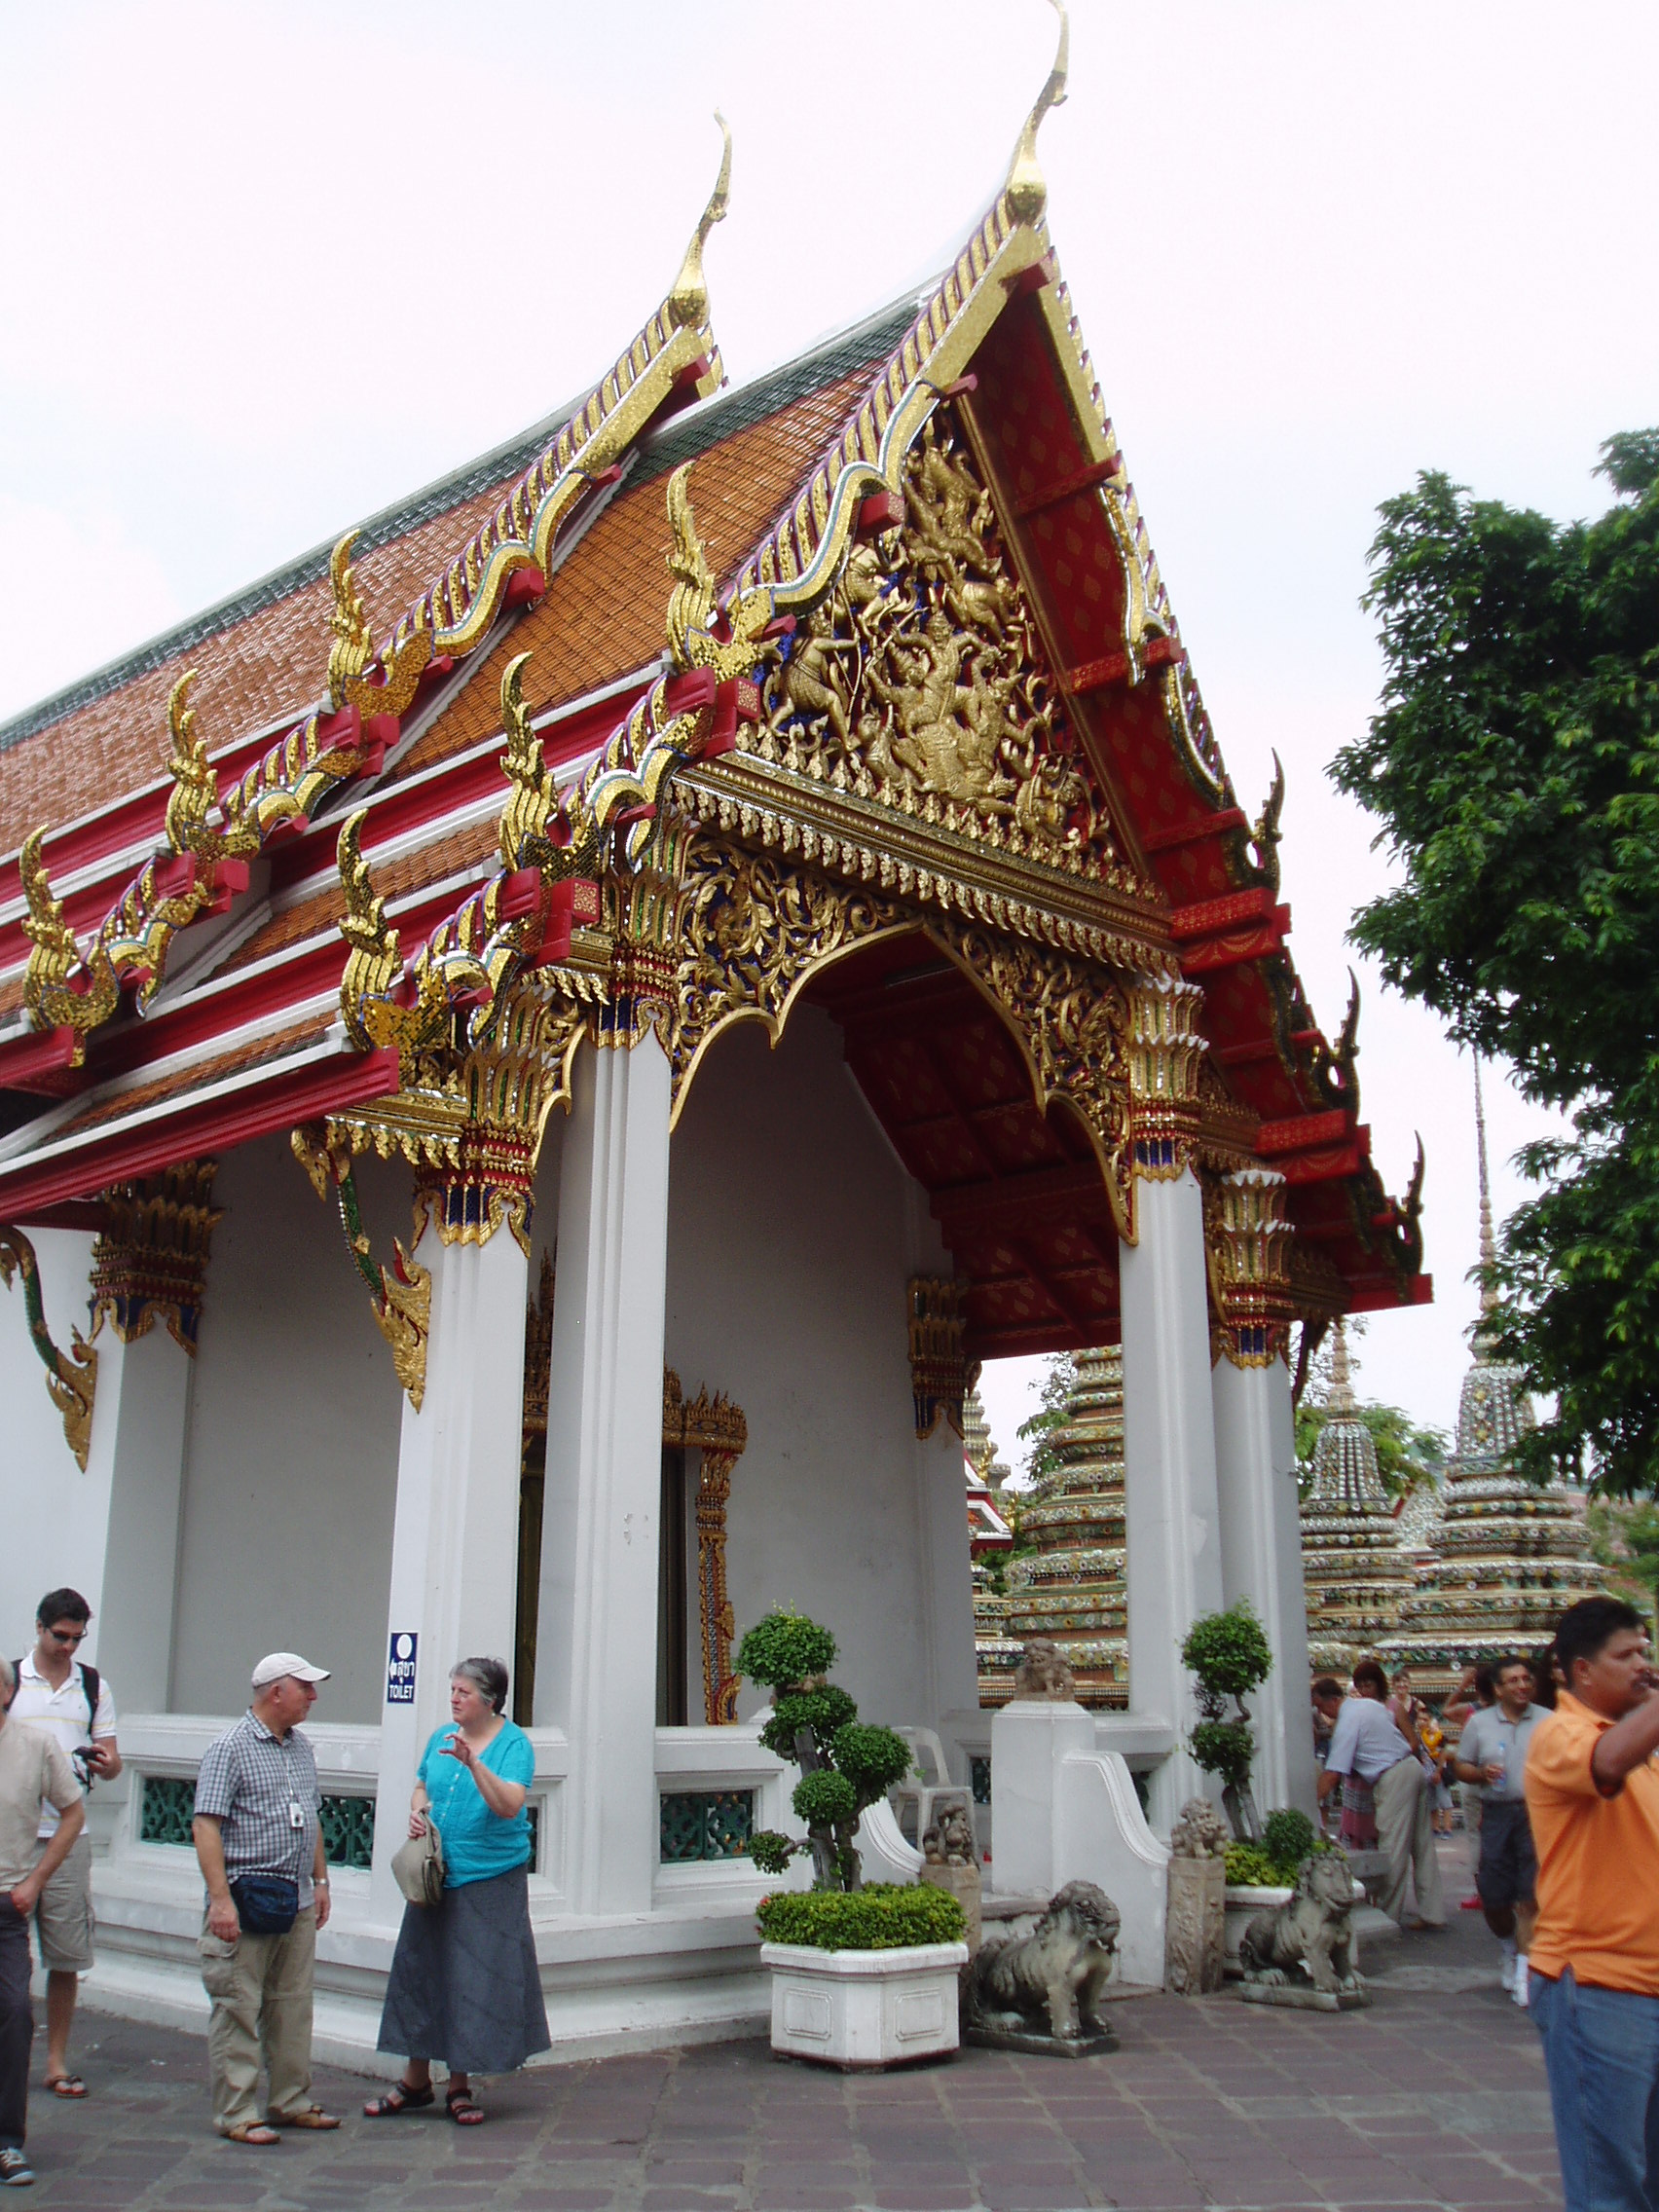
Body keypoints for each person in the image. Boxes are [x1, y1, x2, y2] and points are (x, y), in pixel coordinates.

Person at [366, 1658, 549, 2125]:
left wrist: (474, 1766)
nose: (453, 1699)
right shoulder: (440, 1737)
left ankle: (460, 2084)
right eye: (452, 1690)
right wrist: (418, 1811)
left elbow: (509, 1806)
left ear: (489, 1700)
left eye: (463, 1692)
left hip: (488, 1878)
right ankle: (414, 2079)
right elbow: (421, 1785)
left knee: (470, 1979)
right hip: (435, 1874)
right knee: (421, 1970)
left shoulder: (513, 1745)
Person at [1524, 1595, 1659, 2212]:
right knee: (1611, 2188)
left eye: (1646, 1652)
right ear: (1582, 1670)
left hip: (1646, 1985)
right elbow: (1606, 1764)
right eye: (1627, 1654)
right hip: (1597, 1986)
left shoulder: (1645, 1755)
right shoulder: (1562, 1735)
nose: (1643, 1665)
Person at [191, 1654, 339, 2146]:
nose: (312, 1698)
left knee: (291, 2005)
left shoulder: (301, 1748)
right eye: (305, 1688)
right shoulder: (229, 1748)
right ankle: (236, 2111)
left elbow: (312, 1817)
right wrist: (220, 1899)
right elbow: (206, 1823)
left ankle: (290, 2099)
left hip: (294, 1896)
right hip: (247, 1893)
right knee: (239, 2004)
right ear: (276, 1692)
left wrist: (320, 1881)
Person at [8, 1588, 120, 2100]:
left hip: (68, 1831)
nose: (68, 1647)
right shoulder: (13, 1681)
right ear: (39, 1627)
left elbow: (114, 1761)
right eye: (60, 1636)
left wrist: (104, 1762)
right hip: (14, 1835)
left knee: (66, 1953)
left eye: (77, 1639)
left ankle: (56, 2060)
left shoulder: (91, 1685)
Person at [0, 1654, 86, 2189]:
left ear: (5, 1694)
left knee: (13, 2012)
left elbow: (73, 1812)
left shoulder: (33, 1746)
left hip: (6, 1900)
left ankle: (7, 2142)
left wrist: (35, 1880)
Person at [1317, 1657, 1445, 1928]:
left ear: (1331, 1702)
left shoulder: (1347, 1720)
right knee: (1421, 1844)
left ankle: (1387, 1916)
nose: (1323, 1714)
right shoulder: (1367, 1706)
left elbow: (1332, 1774)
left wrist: (1308, 1801)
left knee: (1392, 1848)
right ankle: (1432, 1912)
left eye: (1321, 1707)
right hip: (1411, 1769)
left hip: (1394, 1776)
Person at [1451, 1653, 1546, 2005]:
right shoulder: (1480, 1723)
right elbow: (1461, 1766)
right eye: (1513, 1681)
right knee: (1494, 1896)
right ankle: (1508, 1947)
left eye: (1526, 1679)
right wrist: (1480, 1774)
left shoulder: (1549, 1721)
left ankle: (1525, 1971)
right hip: (1496, 1813)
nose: (1522, 1686)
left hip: (1536, 1815)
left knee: (1528, 1896)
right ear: (1498, 1688)